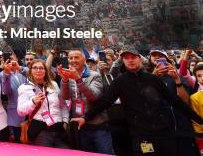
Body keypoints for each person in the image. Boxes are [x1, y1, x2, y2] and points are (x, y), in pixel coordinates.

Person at [72, 48, 203, 156]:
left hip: (164, 134)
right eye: (126, 58)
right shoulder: (119, 82)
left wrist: (199, 120)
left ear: (140, 59)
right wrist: (86, 117)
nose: (130, 60)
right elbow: (105, 102)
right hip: (141, 136)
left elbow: (175, 102)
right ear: (123, 61)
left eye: (133, 57)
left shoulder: (153, 79)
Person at [58, 48, 114, 154]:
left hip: (98, 124)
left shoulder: (95, 75)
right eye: (71, 58)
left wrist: (78, 79)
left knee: (105, 153)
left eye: (76, 57)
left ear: (84, 60)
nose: (73, 60)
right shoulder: (68, 76)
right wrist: (65, 80)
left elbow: (93, 96)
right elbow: (65, 97)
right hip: (80, 125)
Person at [17, 59, 69, 148]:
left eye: (41, 68)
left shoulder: (53, 84)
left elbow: (63, 105)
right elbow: (21, 111)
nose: (38, 70)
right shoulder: (24, 88)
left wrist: (65, 121)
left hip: (59, 128)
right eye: (35, 68)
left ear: (45, 70)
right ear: (30, 71)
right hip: (40, 130)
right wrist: (33, 102)